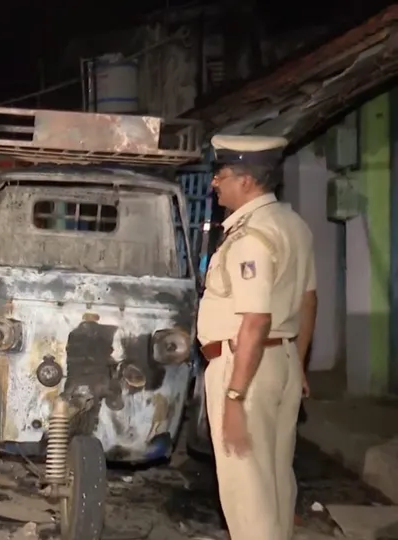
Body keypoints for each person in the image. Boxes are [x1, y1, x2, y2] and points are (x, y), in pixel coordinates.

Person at [196, 134, 317, 540]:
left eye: (222, 175)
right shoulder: (292, 225)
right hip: (278, 361)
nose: (215, 183)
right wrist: (296, 363)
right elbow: (308, 300)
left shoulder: (251, 237)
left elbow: (255, 320)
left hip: (244, 364)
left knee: (247, 491)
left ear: (247, 181)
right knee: (275, 479)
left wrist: (234, 396)